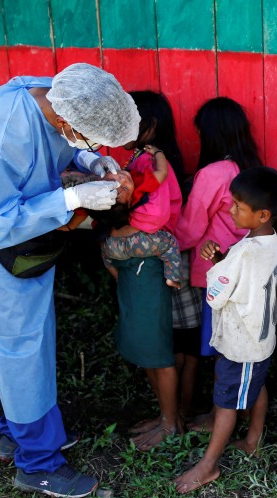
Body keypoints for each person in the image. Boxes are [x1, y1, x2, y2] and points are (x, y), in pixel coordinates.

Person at [0, 63, 139, 498]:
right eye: (91, 138)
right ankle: (38, 464)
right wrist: (72, 197)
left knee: (27, 347)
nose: (95, 145)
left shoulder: (50, 94)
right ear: (67, 120)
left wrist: (92, 159)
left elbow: (63, 144)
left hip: (23, 246)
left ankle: (18, 433)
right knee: (18, 353)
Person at [173, 166, 277, 493]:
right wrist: (224, 260)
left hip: (243, 342)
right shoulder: (267, 240)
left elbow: (216, 294)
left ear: (263, 214)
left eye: (238, 206)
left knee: (226, 401)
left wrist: (215, 265)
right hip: (259, 339)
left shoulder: (245, 252)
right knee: (256, 381)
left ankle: (208, 465)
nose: (231, 210)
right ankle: (253, 439)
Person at [95, 91, 188, 450]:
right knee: (146, 344)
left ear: (147, 126)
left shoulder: (150, 164)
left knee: (157, 348)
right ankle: (167, 416)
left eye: (125, 119)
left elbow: (154, 218)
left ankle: (169, 423)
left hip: (148, 266)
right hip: (134, 264)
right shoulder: (138, 160)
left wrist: (117, 229)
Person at [173, 96, 263, 429]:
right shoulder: (249, 167)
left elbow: (192, 227)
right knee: (240, 347)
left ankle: (220, 414)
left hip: (217, 272)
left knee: (224, 350)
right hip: (245, 271)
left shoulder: (214, 172)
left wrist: (165, 247)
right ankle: (237, 413)